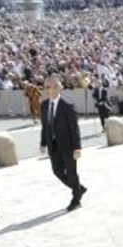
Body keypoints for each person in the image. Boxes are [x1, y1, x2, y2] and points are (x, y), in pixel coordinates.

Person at [39, 75, 87, 212]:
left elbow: (74, 128)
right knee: (57, 172)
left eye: (54, 86)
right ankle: (79, 189)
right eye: (48, 87)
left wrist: (77, 148)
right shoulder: (44, 105)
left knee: (72, 173)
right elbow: (45, 127)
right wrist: (43, 144)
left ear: (60, 87)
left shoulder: (67, 105)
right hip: (53, 146)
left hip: (68, 146)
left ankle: (76, 199)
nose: (51, 89)